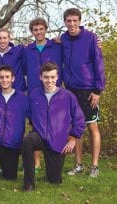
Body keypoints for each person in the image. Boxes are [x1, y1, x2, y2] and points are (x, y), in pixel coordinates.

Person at [22, 62, 85, 191]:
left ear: (57, 77)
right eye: (46, 77)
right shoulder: (34, 95)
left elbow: (79, 118)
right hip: (39, 136)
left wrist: (73, 138)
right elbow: (27, 112)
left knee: (54, 180)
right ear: (40, 77)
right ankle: (29, 183)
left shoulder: (68, 96)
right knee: (27, 141)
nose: (49, 80)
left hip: (58, 141)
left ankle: (52, 173)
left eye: (52, 77)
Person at [61, 8, 105, 177]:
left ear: (79, 21)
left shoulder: (91, 38)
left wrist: (97, 90)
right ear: (65, 22)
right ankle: (78, 164)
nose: (71, 24)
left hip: (88, 89)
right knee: (75, 127)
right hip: (70, 89)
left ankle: (94, 166)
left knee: (92, 126)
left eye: (74, 20)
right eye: (68, 21)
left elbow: (98, 63)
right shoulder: (64, 39)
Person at [23, 17, 63, 173]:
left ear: (46, 29)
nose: (38, 32)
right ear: (32, 32)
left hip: (53, 92)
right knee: (35, 124)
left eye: (41, 29)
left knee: (54, 123)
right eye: (35, 30)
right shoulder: (27, 49)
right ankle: (37, 161)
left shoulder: (56, 46)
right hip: (35, 91)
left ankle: (52, 155)